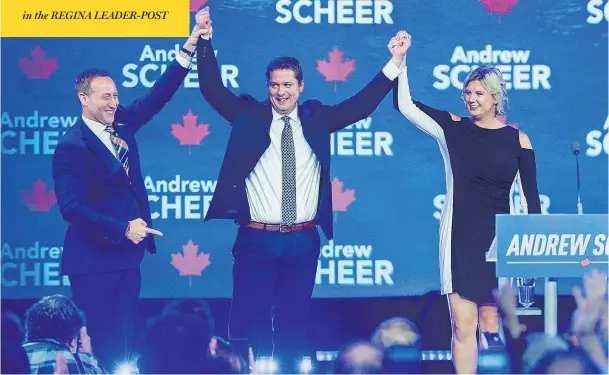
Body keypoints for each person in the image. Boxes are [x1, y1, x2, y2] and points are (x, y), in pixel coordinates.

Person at [193, 7, 407, 368]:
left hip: (303, 241)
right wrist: (204, 39)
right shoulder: (248, 116)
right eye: (274, 85)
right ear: (268, 87)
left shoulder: (317, 118)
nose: (281, 92)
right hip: (256, 240)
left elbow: (361, 106)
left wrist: (394, 62)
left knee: (293, 326)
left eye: (288, 84)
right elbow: (213, 90)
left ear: (301, 86)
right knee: (251, 325)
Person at [51, 25, 209, 371]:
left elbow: (158, 95)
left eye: (115, 95)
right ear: (84, 99)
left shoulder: (120, 124)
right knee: (98, 345)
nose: (113, 102)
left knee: (122, 346)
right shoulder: (71, 145)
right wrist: (122, 228)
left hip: (126, 259)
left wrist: (189, 46)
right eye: (105, 97)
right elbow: (71, 207)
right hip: (93, 264)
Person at [392, 31, 541, 373]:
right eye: (467, 93)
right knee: (463, 326)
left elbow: (532, 201)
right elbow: (405, 105)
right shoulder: (453, 128)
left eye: (478, 93)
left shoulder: (518, 139)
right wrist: (400, 61)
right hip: (459, 239)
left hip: (499, 241)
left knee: (494, 327)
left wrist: (530, 252)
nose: (470, 99)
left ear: (495, 97)